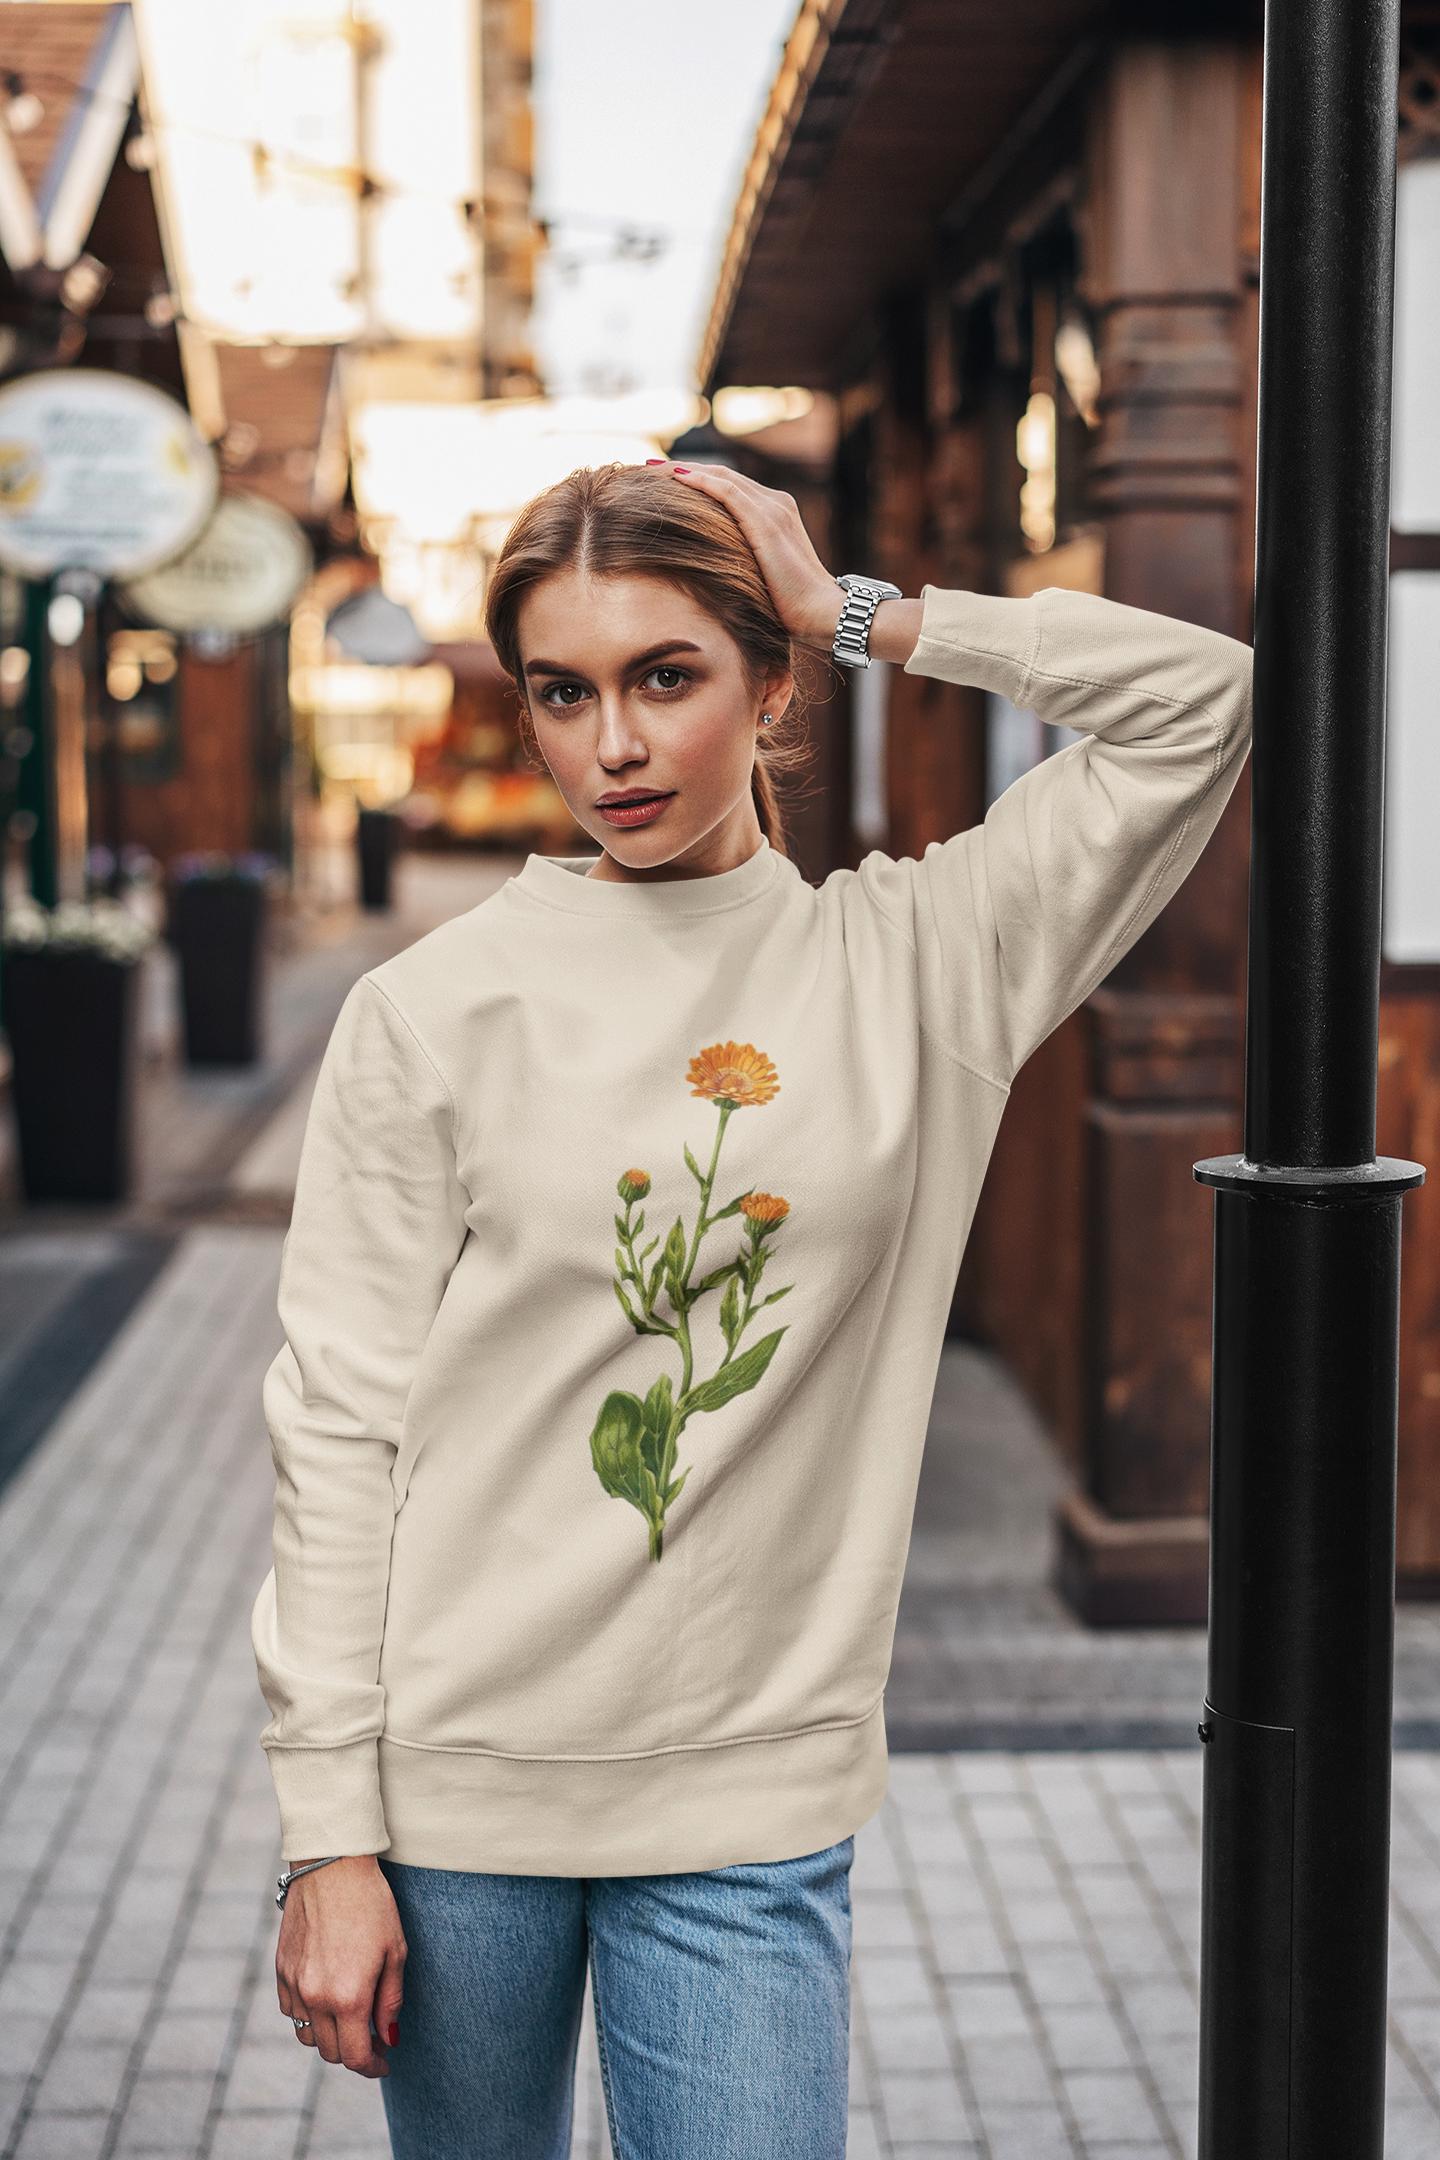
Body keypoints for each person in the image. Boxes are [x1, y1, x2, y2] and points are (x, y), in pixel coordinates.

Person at [251, 458, 1254, 2159]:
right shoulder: (433, 1013)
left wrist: (854, 604)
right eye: (562, 694)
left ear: (770, 681)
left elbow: (1196, 702)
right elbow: (339, 1428)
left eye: (667, 676)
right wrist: (326, 1832)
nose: (612, 749)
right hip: (459, 1791)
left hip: (748, 1809)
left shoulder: (924, 964)